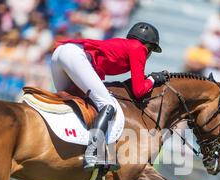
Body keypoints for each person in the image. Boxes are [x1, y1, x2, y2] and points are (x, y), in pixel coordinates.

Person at [51, 22, 168, 170]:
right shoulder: (139, 48)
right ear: (148, 47)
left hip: (60, 54)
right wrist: (152, 79)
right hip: (76, 56)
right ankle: (93, 153)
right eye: (151, 50)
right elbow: (139, 91)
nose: (149, 54)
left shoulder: (124, 44)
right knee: (108, 106)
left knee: (70, 103)